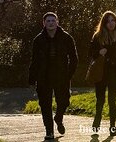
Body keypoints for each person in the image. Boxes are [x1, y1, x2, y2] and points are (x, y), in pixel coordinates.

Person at [28, 12, 78, 140]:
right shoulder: (38, 40)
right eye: (48, 21)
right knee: (45, 105)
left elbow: (74, 58)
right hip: (43, 76)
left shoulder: (67, 38)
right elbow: (34, 61)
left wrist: (69, 74)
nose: (51, 23)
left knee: (64, 101)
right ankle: (49, 131)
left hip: (61, 75)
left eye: (53, 20)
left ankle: (59, 118)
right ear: (44, 23)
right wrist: (32, 80)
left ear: (57, 22)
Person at [88, 10, 116, 136]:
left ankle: (113, 127)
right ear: (104, 23)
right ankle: (96, 123)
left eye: (113, 20)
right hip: (101, 72)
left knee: (112, 101)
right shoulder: (98, 36)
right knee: (100, 100)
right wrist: (98, 53)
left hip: (114, 72)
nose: (111, 23)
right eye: (108, 21)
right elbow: (90, 52)